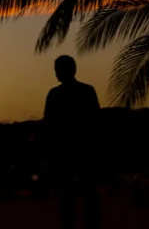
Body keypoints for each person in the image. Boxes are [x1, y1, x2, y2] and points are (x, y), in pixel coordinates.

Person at [43, 54, 102, 229]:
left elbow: (49, 125)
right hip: (78, 151)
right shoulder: (85, 91)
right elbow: (95, 121)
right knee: (82, 195)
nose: (56, 73)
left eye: (58, 70)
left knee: (72, 196)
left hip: (71, 151)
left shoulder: (56, 94)